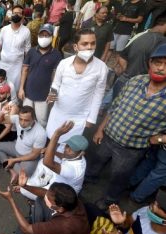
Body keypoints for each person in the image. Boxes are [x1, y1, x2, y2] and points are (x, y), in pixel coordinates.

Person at [86, 43, 166, 209]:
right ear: (150, 63)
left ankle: (108, 201)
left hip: (131, 150)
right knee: (96, 161)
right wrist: (100, 129)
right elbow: (114, 106)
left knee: (118, 177)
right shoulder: (135, 81)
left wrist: (159, 138)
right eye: (158, 62)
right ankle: (88, 179)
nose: (161, 68)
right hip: (108, 136)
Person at [46, 28, 108, 143]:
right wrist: (52, 94)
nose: (89, 47)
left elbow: (98, 95)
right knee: (52, 140)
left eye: (93, 43)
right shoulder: (64, 64)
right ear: (76, 47)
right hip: (58, 113)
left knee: (70, 147)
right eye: (85, 44)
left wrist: (91, 119)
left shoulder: (101, 68)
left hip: (79, 118)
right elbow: (56, 84)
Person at [0, 182, 90, 234]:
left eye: (49, 199)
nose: (46, 198)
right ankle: (37, 229)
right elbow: (45, 193)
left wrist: (10, 199)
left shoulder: (63, 226)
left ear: (60, 208)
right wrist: (24, 186)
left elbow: (26, 229)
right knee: (40, 200)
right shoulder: (71, 200)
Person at [20, 121, 88, 200]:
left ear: (82, 153)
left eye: (72, 149)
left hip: (63, 195)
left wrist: (57, 134)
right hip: (60, 181)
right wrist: (53, 152)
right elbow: (63, 156)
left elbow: (47, 163)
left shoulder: (73, 169)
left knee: (23, 190)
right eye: (67, 146)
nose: (67, 150)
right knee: (42, 161)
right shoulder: (78, 157)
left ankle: (40, 200)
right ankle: (37, 182)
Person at [112, 14, 166, 99]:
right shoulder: (162, 42)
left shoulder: (141, 35)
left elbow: (122, 57)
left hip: (123, 80)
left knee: (112, 108)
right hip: (138, 86)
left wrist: (127, 72)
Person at [18, 24, 62, 128]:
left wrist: (53, 91)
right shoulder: (32, 51)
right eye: (42, 35)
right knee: (25, 118)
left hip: (43, 95)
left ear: (51, 37)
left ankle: (40, 140)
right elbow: (25, 70)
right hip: (28, 92)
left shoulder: (56, 54)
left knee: (41, 120)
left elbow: (56, 76)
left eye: (47, 35)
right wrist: (21, 88)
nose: (44, 38)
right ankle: (25, 137)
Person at [0, 106, 47, 184]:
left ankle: (10, 161)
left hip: (28, 157)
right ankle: (12, 171)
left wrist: (14, 160)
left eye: (26, 120)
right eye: (21, 119)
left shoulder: (40, 133)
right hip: (16, 148)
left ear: (33, 119)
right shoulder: (17, 118)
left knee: (24, 177)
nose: (22, 123)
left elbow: (34, 155)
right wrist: (2, 112)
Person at [0, 5, 31, 92]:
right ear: (11, 14)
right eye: (14, 13)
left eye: (19, 13)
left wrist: (26, 69)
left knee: (13, 91)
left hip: (17, 67)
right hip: (3, 64)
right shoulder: (4, 29)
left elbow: (27, 51)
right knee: (0, 90)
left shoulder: (26, 31)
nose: (16, 15)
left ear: (22, 16)